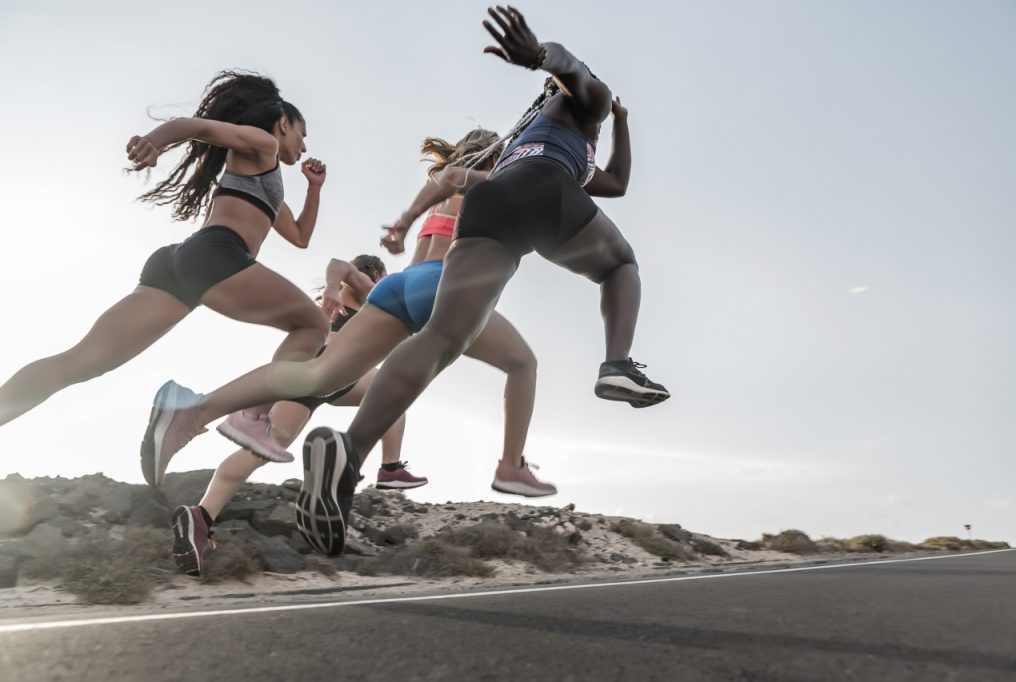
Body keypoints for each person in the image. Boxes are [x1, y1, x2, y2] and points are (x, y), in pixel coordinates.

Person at [296, 6, 671, 554]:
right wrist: (552, 64)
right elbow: (575, 74)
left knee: (442, 340)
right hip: (547, 192)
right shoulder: (586, 102)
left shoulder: (538, 136)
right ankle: (617, 366)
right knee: (620, 265)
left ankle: (347, 459)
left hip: (493, 201)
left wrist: (622, 124)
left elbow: (610, 182)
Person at [144, 127, 555, 555]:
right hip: (446, 286)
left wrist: (398, 229)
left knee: (319, 375)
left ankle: (194, 411)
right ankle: (505, 465)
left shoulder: (442, 188)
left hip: (399, 285)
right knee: (520, 364)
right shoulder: (489, 185)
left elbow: (438, 198)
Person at [0, 71, 330, 482]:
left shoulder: (266, 176)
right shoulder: (262, 144)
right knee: (314, 325)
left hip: (179, 266)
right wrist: (155, 141)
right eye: (303, 132)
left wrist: (314, 188)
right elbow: (200, 127)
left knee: (81, 362)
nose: (305, 144)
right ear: (283, 123)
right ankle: (251, 416)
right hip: (216, 256)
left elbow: (299, 237)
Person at [170, 255, 423, 576]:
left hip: (309, 370)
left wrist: (332, 290)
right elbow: (338, 264)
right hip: (333, 365)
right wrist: (335, 285)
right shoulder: (371, 289)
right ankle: (386, 467)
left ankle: (200, 517)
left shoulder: (350, 299)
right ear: (374, 272)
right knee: (394, 390)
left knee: (263, 447)